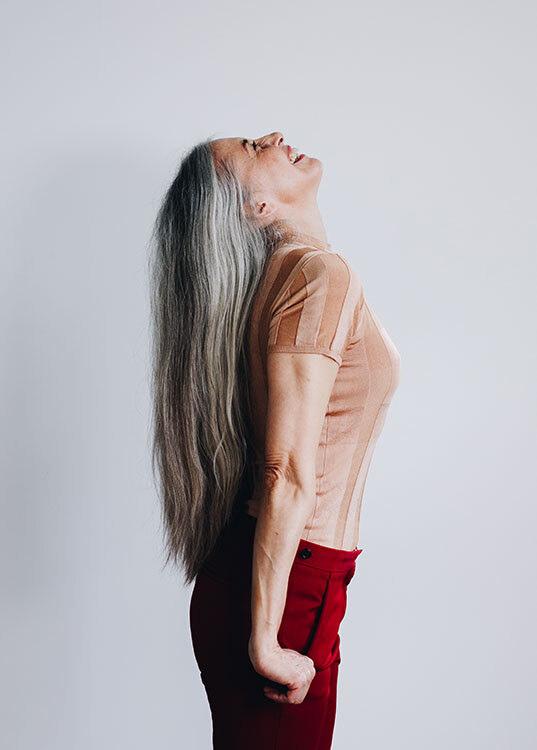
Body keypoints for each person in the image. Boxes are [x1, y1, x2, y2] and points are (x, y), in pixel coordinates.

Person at [148, 131, 401, 748]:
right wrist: (265, 642)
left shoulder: (282, 280)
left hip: (276, 576)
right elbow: (285, 469)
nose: (274, 137)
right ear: (255, 206)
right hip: (288, 591)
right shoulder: (320, 275)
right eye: (253, 147)